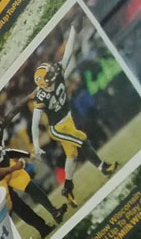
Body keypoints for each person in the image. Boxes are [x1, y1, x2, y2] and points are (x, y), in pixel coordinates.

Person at [29, 25, 119, 207]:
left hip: (68, 118)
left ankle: (67, 188)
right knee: (82, 139)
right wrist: (36, 145)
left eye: (51, 72)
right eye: (49, 75)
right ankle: (104, 168)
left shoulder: (58, 74)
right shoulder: (41, 97)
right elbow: (35, 122)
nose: (53, 74)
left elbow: (68, 52)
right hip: (57, 128)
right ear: (43, 83)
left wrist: (73, 31)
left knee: (72, 156)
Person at [0, 112, 65, 237]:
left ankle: (54, 212)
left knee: (30, 186)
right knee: (17, 207)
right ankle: (41, 229)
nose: (1, 129)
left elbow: (5, 152)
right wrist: (14, 167)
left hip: (7, 167)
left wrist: (27, 155)